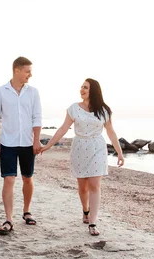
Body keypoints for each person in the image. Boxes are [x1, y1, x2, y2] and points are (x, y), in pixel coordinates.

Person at [40, 78, 124, 236]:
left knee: (95, 185)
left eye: (85, 87)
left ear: (94, 90)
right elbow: (63, 129)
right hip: (79, 148)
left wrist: (119, 152)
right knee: (83, 186)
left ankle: (93, 222)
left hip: (97, 148)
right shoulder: (73, 109)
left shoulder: (104, 110)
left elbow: (111, 132)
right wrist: (48, 145)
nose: (82, 90)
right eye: (81, 87)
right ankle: (85, 210)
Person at [0, 56, 42, 235]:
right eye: (27, 71)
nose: (30, 74)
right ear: (17, 71)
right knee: (9, 179)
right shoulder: (0, 92)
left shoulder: (33, 92)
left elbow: (37, 117)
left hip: (28, 142)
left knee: (28, 177)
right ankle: (8, 219)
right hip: (8, 143)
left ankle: (26, 211)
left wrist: (36, 140)